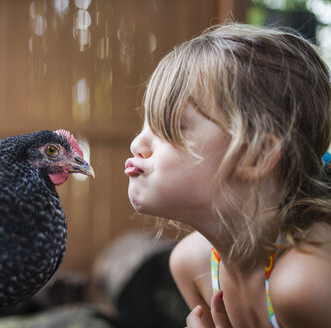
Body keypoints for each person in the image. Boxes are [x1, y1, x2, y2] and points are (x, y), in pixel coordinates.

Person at [125, 23, 331, 328]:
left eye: (170, 126)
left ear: (255, 155)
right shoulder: (192, 265)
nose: (137, 145)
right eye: (146, 125)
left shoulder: (304, 282)